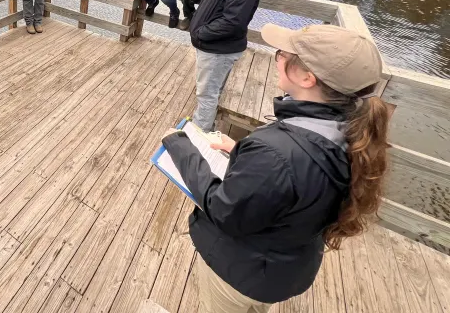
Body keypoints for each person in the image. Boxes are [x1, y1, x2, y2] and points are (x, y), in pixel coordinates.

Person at [162, 24, 388, 313]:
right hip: (286, 269)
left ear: (307, 78)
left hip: (243, 272)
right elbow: (301, 178)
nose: (277, 58)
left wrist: (180, 147)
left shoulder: (276, 152)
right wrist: (240, 150)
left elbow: (224, 210)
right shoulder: (353, 129)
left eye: (283, 54)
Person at [188, 0, 267, 131]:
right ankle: (206, 125)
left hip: (217, 49)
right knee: (212, 89)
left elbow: (233, 21)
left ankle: (198, 134)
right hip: (214, 46)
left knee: (206, 94)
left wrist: (200, 33)